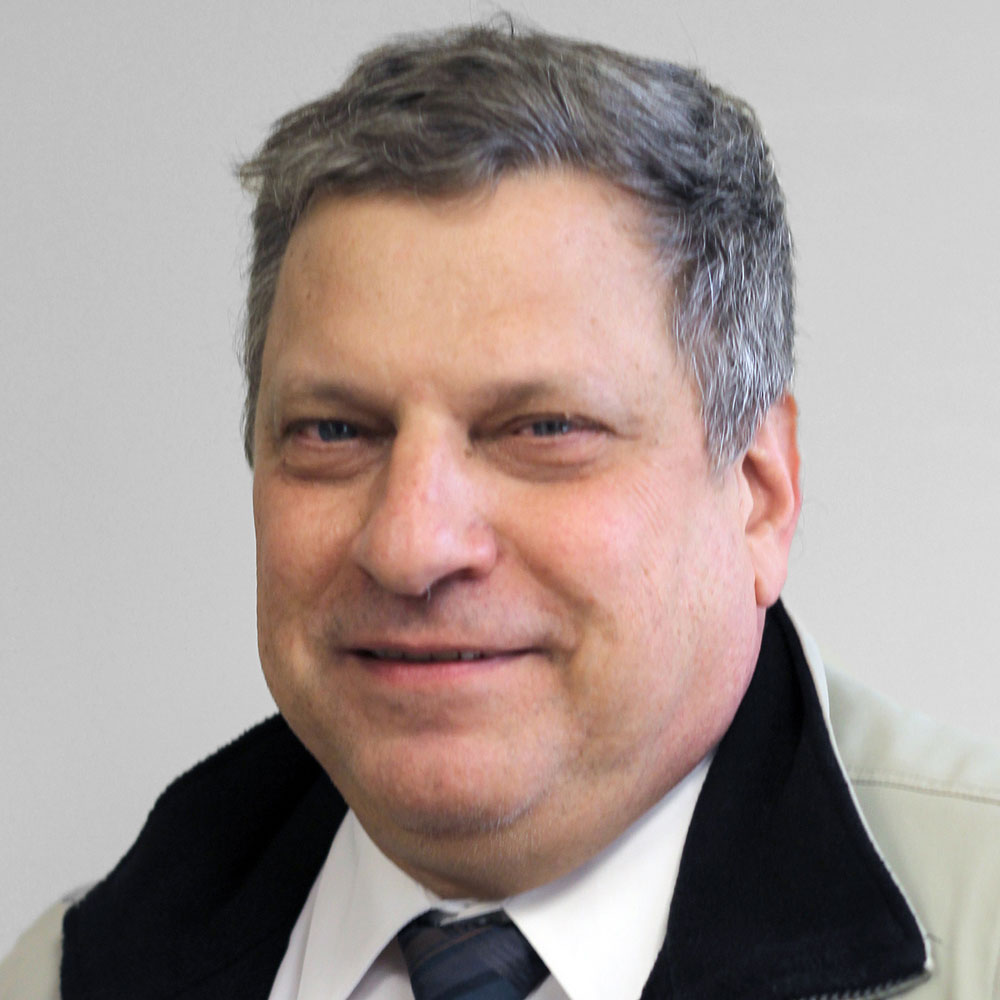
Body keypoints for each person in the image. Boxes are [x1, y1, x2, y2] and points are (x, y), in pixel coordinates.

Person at [3, 21, 999, 1000]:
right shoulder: (62, 973)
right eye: (333, 432)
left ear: (756, 492)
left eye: (542, 428)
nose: (408, 543)